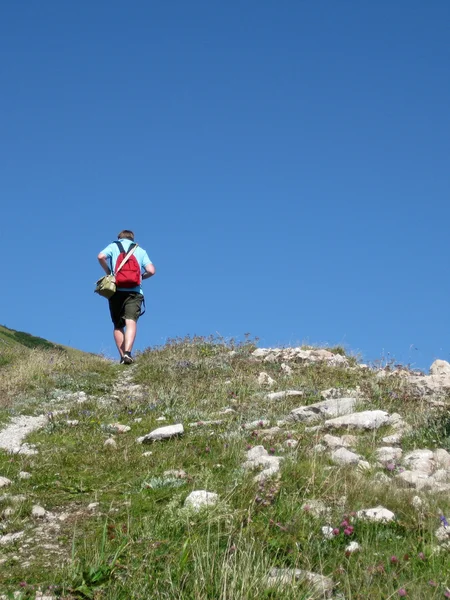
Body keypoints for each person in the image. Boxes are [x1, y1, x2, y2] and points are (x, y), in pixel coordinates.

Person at [98, 230, 156, 364]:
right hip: (134, 291)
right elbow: (152, 270)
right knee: (131, 321)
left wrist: (109, 272)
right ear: (132, 239)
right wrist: (141, 277)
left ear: (119, 238)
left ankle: (122, 357)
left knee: (118, 325)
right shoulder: (140, 250)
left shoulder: (114, 246)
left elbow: (100, 256)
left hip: (116, 290)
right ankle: (128, 353)